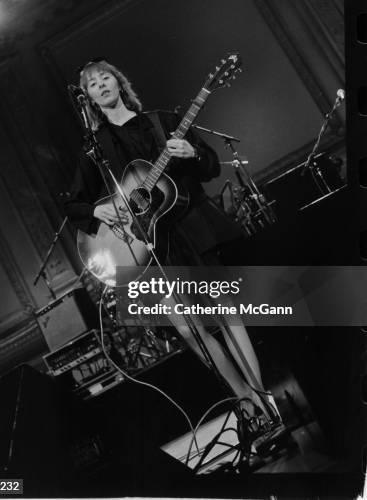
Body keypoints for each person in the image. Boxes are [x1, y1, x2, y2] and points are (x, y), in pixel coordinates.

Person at [65, 58, 279, 424]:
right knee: (188, 329)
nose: (101, 85)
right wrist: (97, 212)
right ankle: (243, 401)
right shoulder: (95, 149)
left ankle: (264, 399)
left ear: (119, 83)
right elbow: (73, 203)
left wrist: (193, 153)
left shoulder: (162, 122)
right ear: (88, 99)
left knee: (227, 315)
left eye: (106, 78)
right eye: (92, 84)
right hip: (148, 247)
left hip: (191, 227)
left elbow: (210, 167)